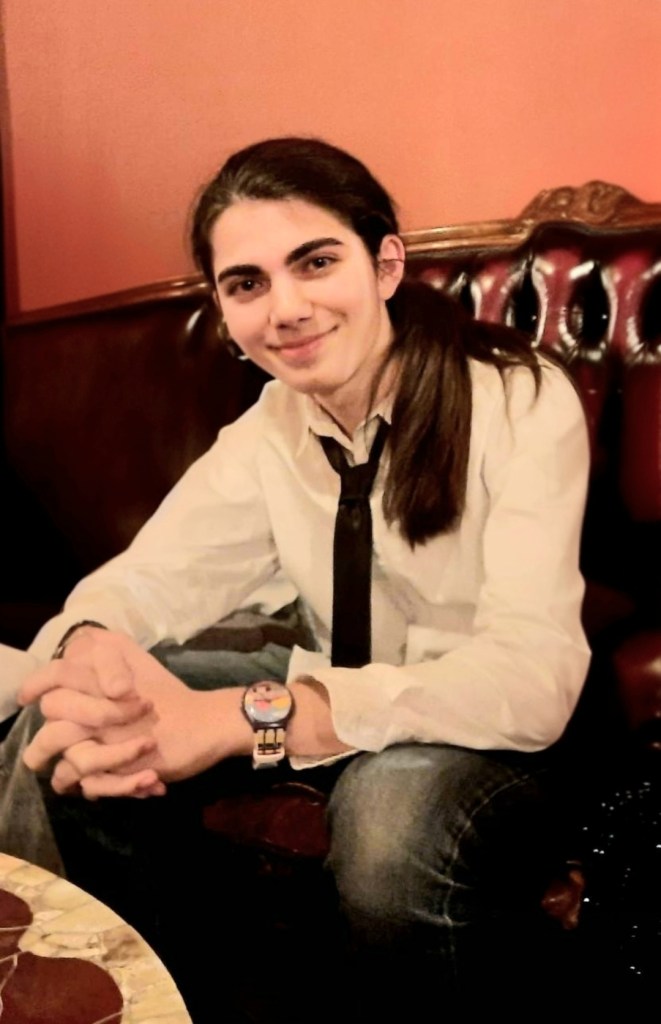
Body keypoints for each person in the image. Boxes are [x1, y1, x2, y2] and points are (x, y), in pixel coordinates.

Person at [13, 137, 590, 1019]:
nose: (285, 309)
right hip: (332, 688)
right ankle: (143, 1000)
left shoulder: (517, 397)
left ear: (385, 264)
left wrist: (245, 717)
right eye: (247, 282)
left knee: (387, 817)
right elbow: (149, 579)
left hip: (485, 727)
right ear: (222, 306)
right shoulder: (271, 426)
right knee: (72, 719)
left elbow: (529, 678)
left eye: (315, 262)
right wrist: (91, 651)